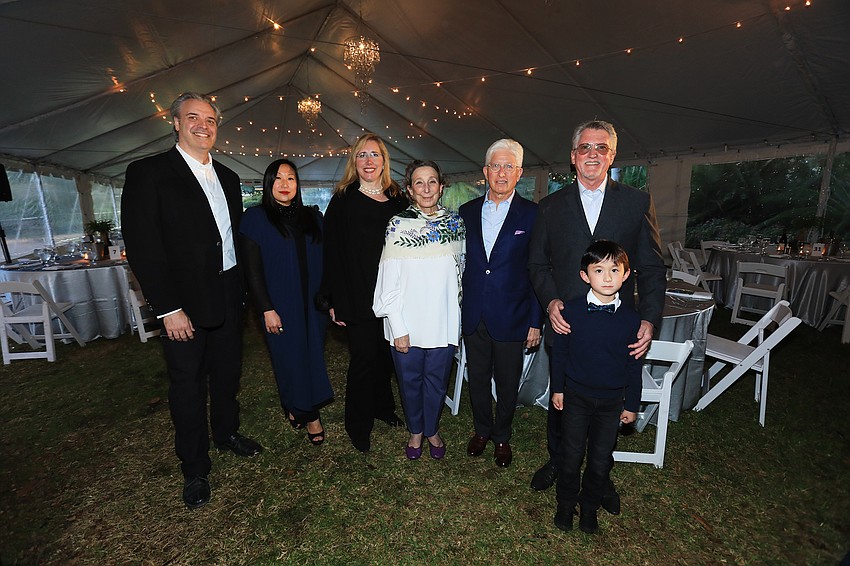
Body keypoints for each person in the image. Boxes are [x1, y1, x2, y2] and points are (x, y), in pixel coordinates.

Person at [121, 92, 262, 510]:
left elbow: (231, 239)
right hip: (182, 303)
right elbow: (144, 246)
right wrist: (167, 308)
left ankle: (226, 432)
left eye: (211, 119)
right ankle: (195, 468)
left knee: (227, 373)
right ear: (176, 123)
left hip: (228, 293)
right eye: (194, 117)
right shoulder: (148, 173)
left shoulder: (231, 177)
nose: (204, 125)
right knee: (187, 385)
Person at [528, 120, 666, 507]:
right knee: (562, 400)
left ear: (612, 155)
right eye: (585, 148)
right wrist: (552, 302)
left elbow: (653, 268)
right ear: (573, 157)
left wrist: (649, 320)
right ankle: (559, 462)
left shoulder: (637, 202)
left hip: (616, 328)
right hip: (567, 324)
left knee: (610, 406)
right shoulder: (550, 206)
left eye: (601, 148)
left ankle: (600, 476)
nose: (593, 154)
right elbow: (537, 265)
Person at [321, 133, 409, 452]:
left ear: (384, 161)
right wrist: (332, 299)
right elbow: (330, 251)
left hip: (393, 296)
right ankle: (358, 424)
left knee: (386, 358)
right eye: (362, 155)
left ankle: (383, 408)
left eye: (375, 154)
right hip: (357, 295)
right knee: (363, 359)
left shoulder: (399, 199)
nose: (369, 161)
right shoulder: (343, 199)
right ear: (354, 162)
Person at [373, 160, 466, 460]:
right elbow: (388, 281)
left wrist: (458, 321)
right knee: (410, 383)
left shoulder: (456, 225)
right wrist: (398, 326)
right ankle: (416, 431)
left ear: (441, 186)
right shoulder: (398, 225)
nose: (426, 188)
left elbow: (461, 277)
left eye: (432, 182)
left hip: (443, 321)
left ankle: (432, 429)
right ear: (410, 189)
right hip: (407, 323)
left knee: (437, 383)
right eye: (419, 183)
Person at [459, 139, 543, 468]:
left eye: (509, 166)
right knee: (477, 378)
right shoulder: (465, 212)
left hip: (513, 315)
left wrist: (536, 321)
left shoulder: (534, 214)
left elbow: (538, 270)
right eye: (496, 165)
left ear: (519, 172)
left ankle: (502, 436)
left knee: (507, 382)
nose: (502, 172)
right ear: (485, 171)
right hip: (475, 313)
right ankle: (481, 430)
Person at [550, 240, 642, 534]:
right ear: (584, 275)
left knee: (601, 459)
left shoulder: (631, 319)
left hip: (612, 402)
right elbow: (560, 354)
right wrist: (558, 389)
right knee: (571, 454)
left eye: (614, 270)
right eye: (598, 270)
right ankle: (565, 505)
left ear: (626, 274)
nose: (607, 277)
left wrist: (632, 404)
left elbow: (634, 364)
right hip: (576, 396)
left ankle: (589, 508)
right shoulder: (571, 312)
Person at [239, 159, 334, 445]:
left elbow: (329, 261)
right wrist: (266, 309)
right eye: (277, 179)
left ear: (297, 184)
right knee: (289, 359)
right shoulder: (255, 219)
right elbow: (252, 271)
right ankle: (309, 414)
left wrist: (330, 298)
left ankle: (297, 406)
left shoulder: (313, 218)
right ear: (268, 185)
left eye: (290, 178)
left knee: (312, 356)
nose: (284, 184)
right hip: (280, 306)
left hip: (312, 305)